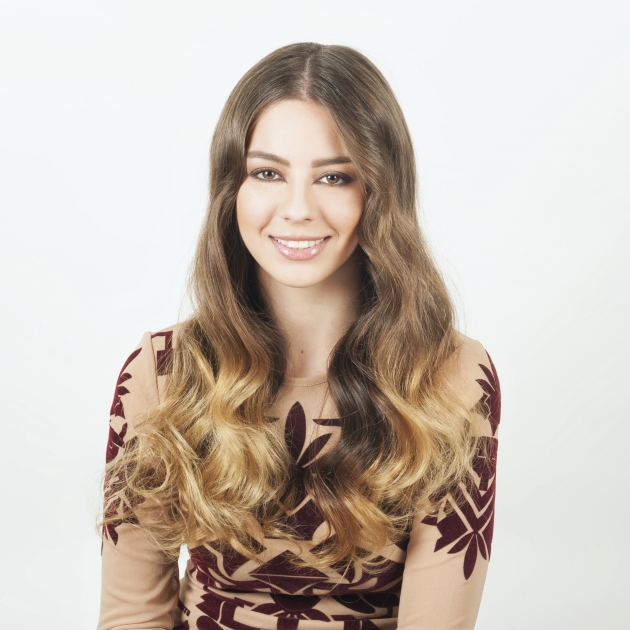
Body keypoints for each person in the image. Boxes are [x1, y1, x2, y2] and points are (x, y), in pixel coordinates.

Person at [98, 42, 501, 630]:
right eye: (267, 173)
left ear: (380, 192)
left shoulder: (451, 376)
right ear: (232, 190)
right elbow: (133, 615)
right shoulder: (162, 371)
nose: (297, 209)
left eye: (334, 177)